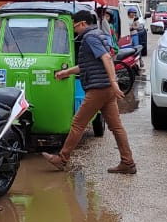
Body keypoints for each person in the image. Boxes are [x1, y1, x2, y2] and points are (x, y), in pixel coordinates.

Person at [42, 9, 137, 175]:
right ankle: (127, 162)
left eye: (74, 26)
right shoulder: (98, 35)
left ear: (82, 24)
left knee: (78, 124)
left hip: (98, 89)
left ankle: (62, 159)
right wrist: (66, 72)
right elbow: (88, 64)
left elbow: (106, 58)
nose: (74, 30)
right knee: (116, 127)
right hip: (106, 89)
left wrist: (114, 82)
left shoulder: (90, 37)